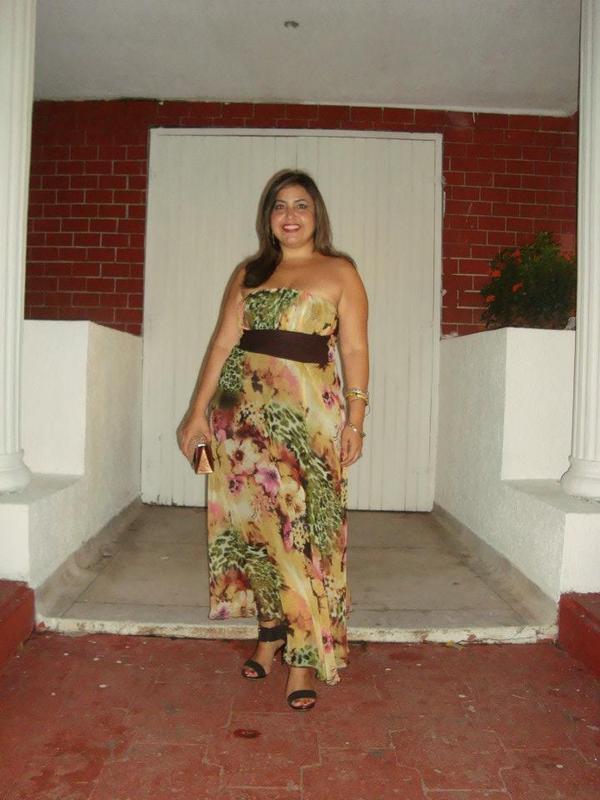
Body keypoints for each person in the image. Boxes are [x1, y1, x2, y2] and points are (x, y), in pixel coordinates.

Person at [177, 169, 369, 710]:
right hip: (241, 420)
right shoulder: (249, 272)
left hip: (308, 424)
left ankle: (303, 657)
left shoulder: (340, 272)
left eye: (301, 205)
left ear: (316, 214)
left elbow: (355, 350)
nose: (290, 215)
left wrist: (355, 420)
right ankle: (269, 634)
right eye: (279, 206)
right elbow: (222, 344)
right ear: (268, 217)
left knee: (302, 535)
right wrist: (196, 414)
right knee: (256, 530)